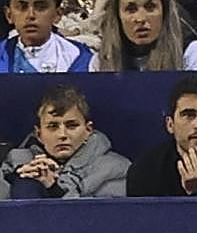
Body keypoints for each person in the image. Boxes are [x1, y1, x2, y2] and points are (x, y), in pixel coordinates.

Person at [1, 85, 129, 199]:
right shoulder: (14, 161)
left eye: (72, 126)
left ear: (88, 130)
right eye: (53, 126)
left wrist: (53, 189)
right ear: (39, 134)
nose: (62, 135)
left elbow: (104, 215)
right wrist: (17, 180)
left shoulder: (115, 168)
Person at [0, 0, 94, 73]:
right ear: (9, 15)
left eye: (41, 7)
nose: (30, 15)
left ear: (57, 14)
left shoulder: (80, 59)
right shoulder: (2, 56)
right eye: (22, 7)